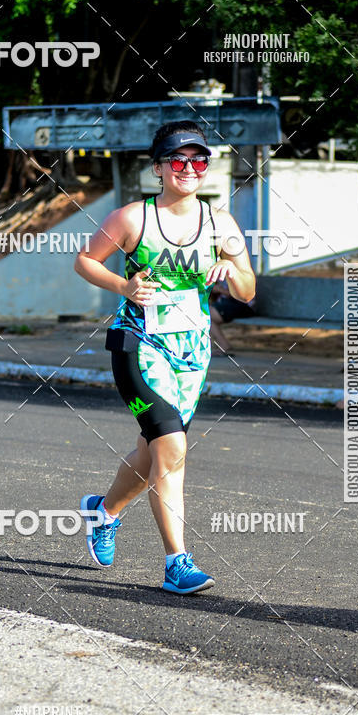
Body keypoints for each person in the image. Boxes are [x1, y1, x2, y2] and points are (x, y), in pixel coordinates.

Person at [74, 120, 256, 594]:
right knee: (171, 447)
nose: (189, 168)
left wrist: (230, 268)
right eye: (178, 160)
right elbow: (85, 261)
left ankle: (104, 511)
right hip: (137, 347)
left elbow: (249, 288)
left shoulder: (221, 223)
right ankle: (178, 563)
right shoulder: (133, 218)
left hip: (192, 353)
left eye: (199, 160)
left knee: (153, 450)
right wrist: (124, 285)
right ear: (158, 167)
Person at [210, 280, 257, 356]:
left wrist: (219, 290)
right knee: (206, 313)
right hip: (229, 303)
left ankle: (223, 345)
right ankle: (223, 344)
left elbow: (241, 295)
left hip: (242, 305)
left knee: (207, 313)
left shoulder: (238, 270)